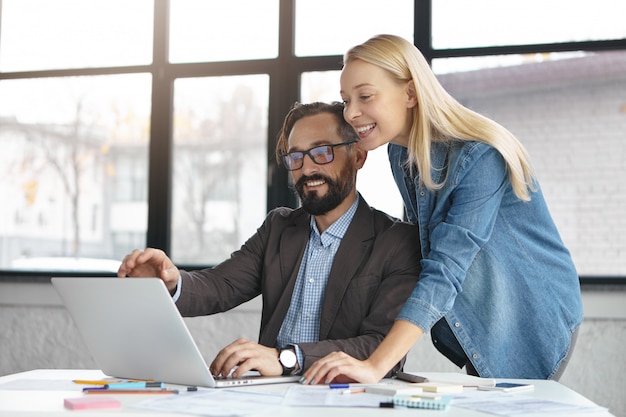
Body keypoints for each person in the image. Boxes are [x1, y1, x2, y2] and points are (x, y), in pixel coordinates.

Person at [301, 34, 583, 384]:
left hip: (530, 316)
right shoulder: (399, 153)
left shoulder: (480, 157)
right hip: (481, 316)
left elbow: (445, 269)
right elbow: (414, 246)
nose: (351, 112)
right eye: (346, 100)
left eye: (365, 96)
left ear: (410, 93)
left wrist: (374, 365)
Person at [117, 101, 422, 379]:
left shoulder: (397, 241)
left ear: (358, 155)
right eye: (296, 157)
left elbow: (382, 347)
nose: (307, 168)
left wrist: (287, 358)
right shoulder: (279, 227)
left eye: (321, 152)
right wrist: (170, 281)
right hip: (270, 396)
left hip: (348, 399)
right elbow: (221, 285)